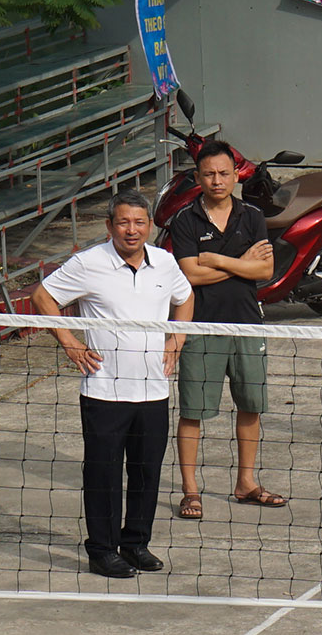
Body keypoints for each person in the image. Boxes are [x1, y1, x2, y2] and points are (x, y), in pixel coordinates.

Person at [33, 191, 192, 580]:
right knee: (103, 475)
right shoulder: (88, 263)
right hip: (104, 392)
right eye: (123, 222)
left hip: (153, 391)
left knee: (146, 472)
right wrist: (69, 342)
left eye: (139, 222)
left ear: (149, 225)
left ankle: (135, 543)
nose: (131, 230)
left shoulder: (165, 262)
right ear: (109, 226)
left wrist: (177, 340)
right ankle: (102, 550)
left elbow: (186, 298)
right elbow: (42, 296)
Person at [164, 139, 281, 518]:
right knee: (193, 410)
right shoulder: (185, 220)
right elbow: (189, 275)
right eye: (209, 174)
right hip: (201, 327)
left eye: (224, 174)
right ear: (198, 178)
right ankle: (190, 491)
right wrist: (240, 262)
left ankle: (246, 482)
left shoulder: (252, 216)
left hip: (247, 325)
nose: (217, 181)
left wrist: (215, 259)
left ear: (235, 176)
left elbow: (265, 269)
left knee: (251, 405)